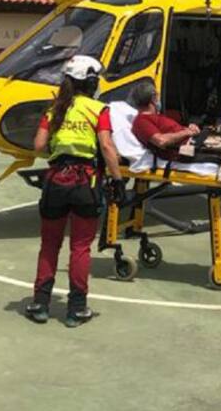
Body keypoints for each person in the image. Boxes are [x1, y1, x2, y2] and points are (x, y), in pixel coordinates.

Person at [26, 55, 123, 328]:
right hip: (85, 184)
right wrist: (117, 181)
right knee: (80, 247)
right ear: (91, 82)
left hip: (56, 181)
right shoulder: (98, 110)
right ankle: (76, 308)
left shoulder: (53, 109)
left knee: (49, 244)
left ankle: (40, 303)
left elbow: (38, 145)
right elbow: (106, 147)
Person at [129, 77, 200, 159]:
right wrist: (187, 133)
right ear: (153, 99)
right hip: (185, 151)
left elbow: (171, 132)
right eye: (157, 96)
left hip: (193, 142)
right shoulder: (141, 121)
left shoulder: (156, 116)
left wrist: (189, 129)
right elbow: (161, 141)